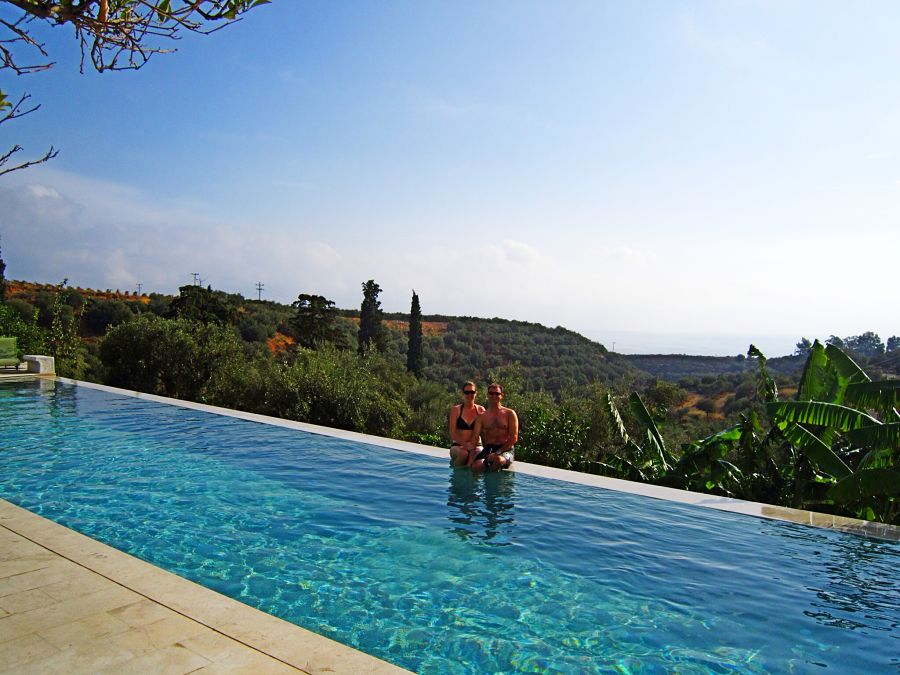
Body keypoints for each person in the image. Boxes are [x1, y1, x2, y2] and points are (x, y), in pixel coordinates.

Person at [471, 382, 518, 472]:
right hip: (489, 448)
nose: (494, 396)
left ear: (502, 396)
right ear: (487, 395)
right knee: (476, 466)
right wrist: (471, 457)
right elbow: (475, 438)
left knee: (499, 461)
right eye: (491, 393)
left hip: (506, 449)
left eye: (497, 394)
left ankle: (490, 481)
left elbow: (514, 438)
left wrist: (498, 452)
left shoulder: (510, 413)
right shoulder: (482, 416)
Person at [449, 381, 485, 467]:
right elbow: (453, 433)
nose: (469, 395)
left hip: (476, 446)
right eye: (467, 392)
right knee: (464, 453)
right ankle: (457, 477)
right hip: (458, 446)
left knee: (478, 462)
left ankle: (474, 480)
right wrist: (465, 445)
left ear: (476, 393)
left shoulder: (480, 410)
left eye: (472, 392)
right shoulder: (456, 410)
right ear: (463, 393)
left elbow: (486, 431)